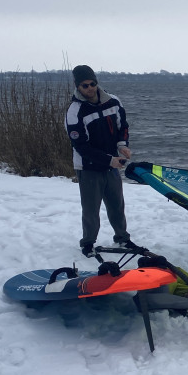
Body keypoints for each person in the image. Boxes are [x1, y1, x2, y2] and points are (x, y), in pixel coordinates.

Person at [65, 65, 136, 257]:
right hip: (88, 167)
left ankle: (122, 238)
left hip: (112, 165)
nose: (90, 88)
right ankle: (88, 243)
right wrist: (108, 160)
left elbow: (123, 126)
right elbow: (81, 146)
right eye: (84, 85)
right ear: (77, 87)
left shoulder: (114, 101)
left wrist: (122, 145)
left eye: (92, 83)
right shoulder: (74, 112)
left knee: (117, 205)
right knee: (91, 209)